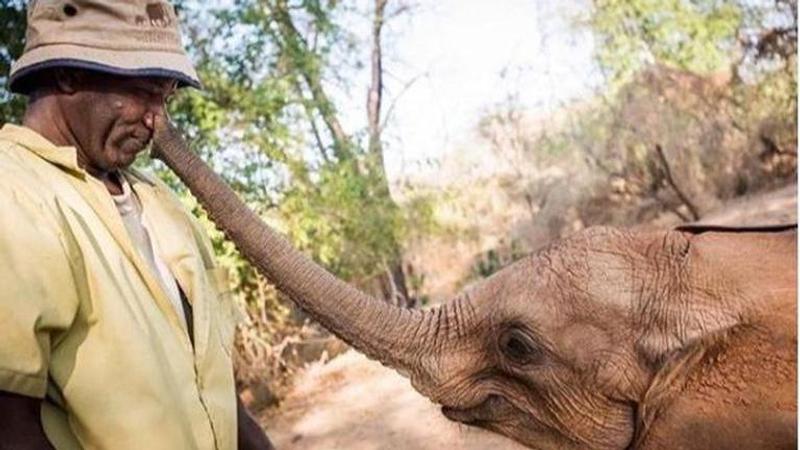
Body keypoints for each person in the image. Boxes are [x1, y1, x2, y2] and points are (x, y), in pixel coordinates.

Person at [0, 1, 273, 448]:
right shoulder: (13, 195)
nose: (156, 120)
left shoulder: (162, 203)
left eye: (165, 96)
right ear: (70, 73)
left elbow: (220, 392)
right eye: (144, 91)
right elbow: (10, 429)